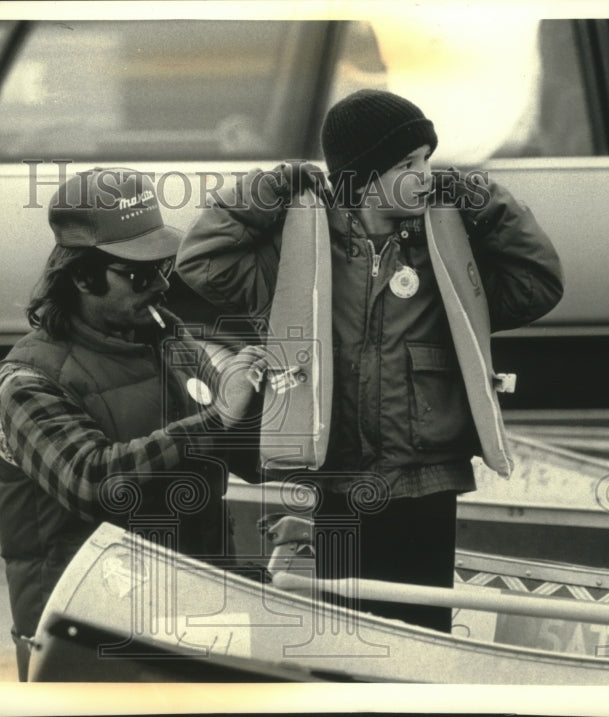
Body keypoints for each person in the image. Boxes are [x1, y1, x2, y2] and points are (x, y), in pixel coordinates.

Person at [176, 89, 564, 632]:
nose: (426, 174)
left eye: (428, 159)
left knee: (423, 633)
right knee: (344, 631)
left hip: (428, 481)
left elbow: (538, 282)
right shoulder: (299, 258)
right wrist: (272, 187)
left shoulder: (444, 254)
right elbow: (201, 260)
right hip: (340, 479)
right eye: (408, 163)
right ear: (361, 176)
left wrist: (480, 196)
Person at [0, 167, 265, 680]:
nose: (158, 286)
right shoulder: (25, 382)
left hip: (184, 619)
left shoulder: (166, 336)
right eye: (137, 275)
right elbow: (94, 482)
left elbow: (235, 449)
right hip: (87, 638)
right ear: (82, 277)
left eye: (163, 268)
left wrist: (264, 405)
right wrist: (218, 416)